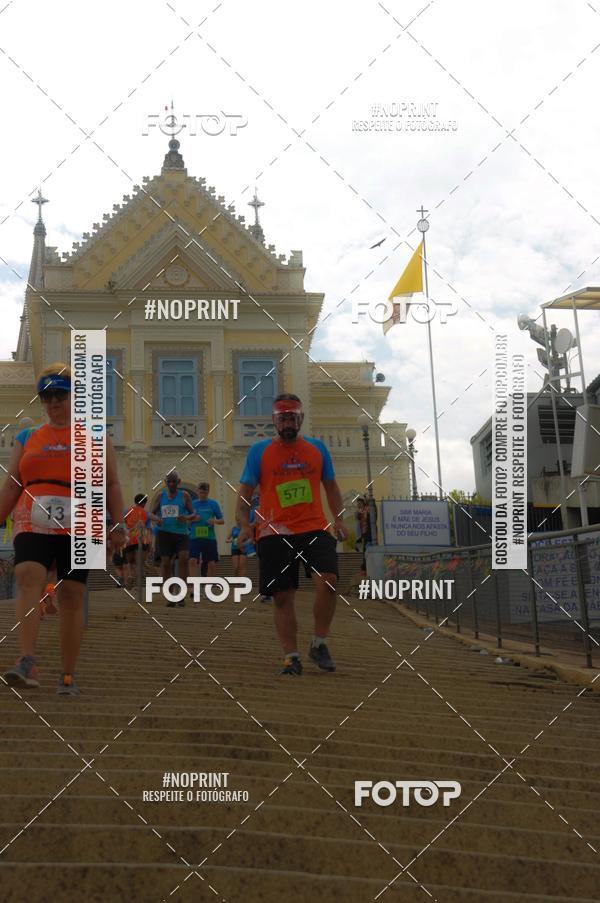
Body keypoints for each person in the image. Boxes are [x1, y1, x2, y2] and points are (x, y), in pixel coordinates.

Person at [0, 363, 127, 694]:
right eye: (47, 397)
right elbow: (13, 483)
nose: (53, 402)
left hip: (81, 521)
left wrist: (119, 524)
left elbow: (111, 484)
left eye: (60, 395)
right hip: (33, 517)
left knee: (71, 593)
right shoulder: (27, 437)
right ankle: (27, 659)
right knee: (28, 573)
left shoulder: (97, 438)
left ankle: (67, 673)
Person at [236, 393, 348, 676]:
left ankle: (319, 642)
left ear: (301, 419)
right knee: (283, 596)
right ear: (275, 420)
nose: (288, 422)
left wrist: (339, 519)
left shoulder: (317, 448)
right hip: (274, 531)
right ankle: (291, 656)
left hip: (314, 527)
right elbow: (245, 494)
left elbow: (331, 487)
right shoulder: (259, 451)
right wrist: (244, 525)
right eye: (282, 417)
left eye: (292, 417)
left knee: (330, 580)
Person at [152, 472, 194, 607]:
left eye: (174, 481)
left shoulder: (184, 495)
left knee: (183, 558)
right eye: (169, 481)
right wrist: (157, 520)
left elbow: (193, 513)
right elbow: (151, 513)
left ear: (179, 482)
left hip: (181, 534)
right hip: (164, 533)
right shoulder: (160, 496)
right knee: (165, 563)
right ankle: (170, 595)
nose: (171, 484)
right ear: (165, 482)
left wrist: (185, 518)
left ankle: (181, 594)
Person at [188, 482, 224, 599]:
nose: (202, 494)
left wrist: (214, 521)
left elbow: (222, 520)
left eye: (205, 492)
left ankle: (208, 588)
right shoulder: (192, 504)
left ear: (208, 492)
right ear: (198, 491)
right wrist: (193, 520)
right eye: (200, 492)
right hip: (194, 537)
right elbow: (186, 521)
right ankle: (194, 588)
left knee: (211, 564)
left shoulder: (213, 504)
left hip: (209, 537)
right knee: (193, 561)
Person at [123, 493, 152, 589]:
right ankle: (138, 581)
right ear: (144, 503)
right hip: (141, 539)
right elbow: (148, 529)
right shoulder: (145, 513)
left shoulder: (127, 511)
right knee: (140, 562)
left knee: (131, 562)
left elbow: (121, 523)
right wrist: (150, 545)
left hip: (129, 539)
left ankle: (131, 576)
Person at [355, 496, 373, 576]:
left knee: (366, 550)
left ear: (363, 503)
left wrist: (367, 500)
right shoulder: (360, 511)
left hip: (368, 533)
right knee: (364, 551)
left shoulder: (367, 509)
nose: (358, 505)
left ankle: (365, 568)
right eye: (357, 503)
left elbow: (372, 516)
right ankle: (364, 568)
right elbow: (358, 521)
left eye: (359, 503)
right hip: (363, 533)